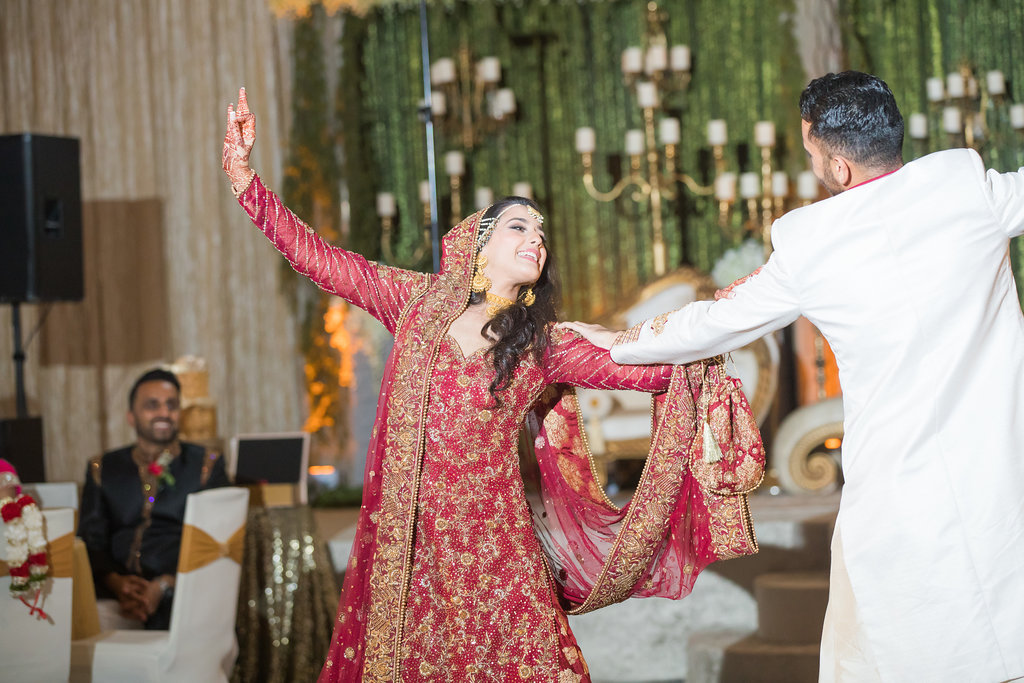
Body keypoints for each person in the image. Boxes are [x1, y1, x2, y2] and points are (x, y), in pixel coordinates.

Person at [222, 87, 761, 682]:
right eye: (518, 226)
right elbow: (318, 257)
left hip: (501, 551)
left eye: (541, 233)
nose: (536, 238)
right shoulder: (414, 301)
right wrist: (245, 177)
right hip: (414, 553)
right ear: (478, 246)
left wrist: (670, 332)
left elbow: (655, 372)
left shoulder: (541, 343)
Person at [563, 71, 1024, 682]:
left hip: (896, 492)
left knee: (901, 650)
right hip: (1001, 475)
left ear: (837, 167)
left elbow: (715, 320)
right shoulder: (968, 185)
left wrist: (619, 341)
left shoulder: (812, 242)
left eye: (810, 153)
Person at [78, 368, 229, 630]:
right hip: (114, 592)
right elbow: (91, 541)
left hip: (183, 591)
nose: (164, 413)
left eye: (171, 405)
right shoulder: (103, 468)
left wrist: (164, 585)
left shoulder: (206, 464)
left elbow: (217, 542)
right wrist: (118, 583)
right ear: (131, 417)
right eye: (152, 405)